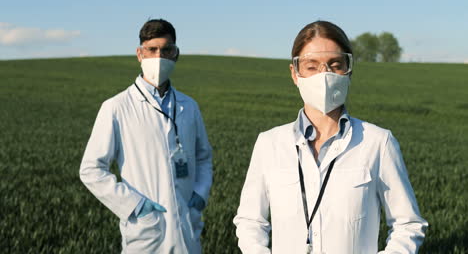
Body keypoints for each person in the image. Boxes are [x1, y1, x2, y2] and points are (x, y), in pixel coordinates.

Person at [233, 21, 428, 254]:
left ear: (349, 71)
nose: (324, 75)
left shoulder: (378, 143)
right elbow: (250, 221)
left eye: (335, 65)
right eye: (311, 66)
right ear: (295, 74)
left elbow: (407, 224)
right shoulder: (270, 143)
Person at [79, 19, 213, 253]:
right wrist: (137, 206)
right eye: (152, 50)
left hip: (187, 229)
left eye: (166, 50)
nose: (159, 57)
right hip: (147, 233)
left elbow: (204, 157)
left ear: (176, 54)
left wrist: (199, 196)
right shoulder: (116, 107)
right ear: (139, 54)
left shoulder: (188, 106)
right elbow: (91, 170)